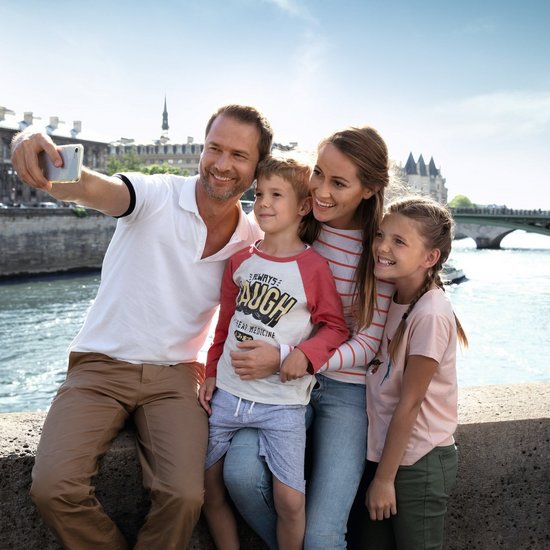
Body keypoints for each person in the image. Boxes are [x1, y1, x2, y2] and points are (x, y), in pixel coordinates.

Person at [10, 104, 273, 550]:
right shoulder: (154, 194)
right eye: (214, 148)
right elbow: (93, 188)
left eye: (239, 155)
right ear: (201, 149)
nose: (222, 164)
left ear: (257, 168)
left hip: (176, 377)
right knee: (54, 487)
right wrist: (29, 141)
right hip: (100, 366)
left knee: (185, 495)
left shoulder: (252, 241)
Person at [219, 126, 395, 549]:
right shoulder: (307, 226)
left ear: (369, 190)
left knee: (321, 535)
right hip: (277, 387)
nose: (320, 191)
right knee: (239, 476)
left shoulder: (380, 248)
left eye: (339, 183)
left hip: (341, 393)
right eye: (318, 174)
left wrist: (291, 357)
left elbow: (367, 342)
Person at [199, 156, 349, 550]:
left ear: (302, 206)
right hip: (228, 396)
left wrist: (299, 354)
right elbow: (225, 324)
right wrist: (211, 371)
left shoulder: (313, 268)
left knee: (289, 499)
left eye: (276, 195)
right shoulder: (240, 260)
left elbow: (335, 327)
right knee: (209, 490)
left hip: (282, 403)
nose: (262, 203)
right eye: (258, 194)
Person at [361, 196, 468, 549]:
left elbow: (409, 404)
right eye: (381, 235)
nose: (382, 247)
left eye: (399, 241)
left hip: (416, 464)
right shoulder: (390, 296)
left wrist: (384, 479)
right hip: (387, 457)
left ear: (430, 257)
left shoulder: (431, 313)